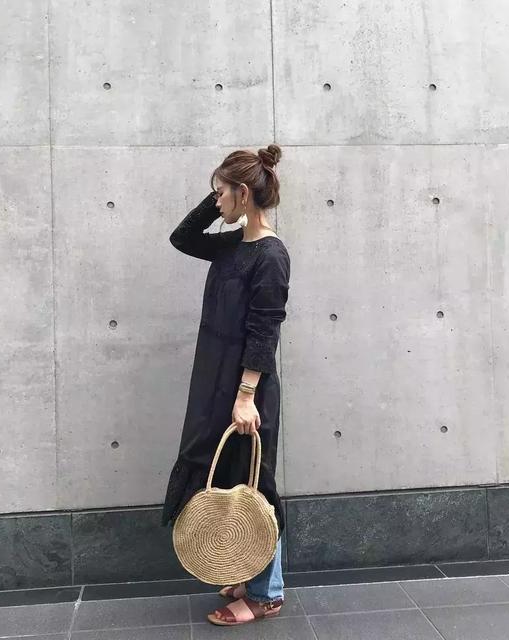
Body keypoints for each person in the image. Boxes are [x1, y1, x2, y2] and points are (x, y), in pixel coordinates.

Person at [160, 144, 291, 626]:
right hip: (215, 382)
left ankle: (266, 594)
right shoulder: (232, 245)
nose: (216, 201)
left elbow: (265, 330)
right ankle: (248, 568)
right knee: (230, 480)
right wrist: (222, 196)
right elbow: (182, 237)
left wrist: (246, 396)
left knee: (256, 484)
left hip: (245, 391)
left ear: (243, 194)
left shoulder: (271, 255)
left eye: (221, 193)